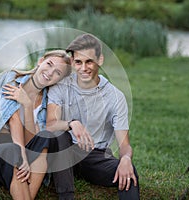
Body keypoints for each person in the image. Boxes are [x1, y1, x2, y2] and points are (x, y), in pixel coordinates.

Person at [0, 50, 71, 200]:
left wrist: (28, 105)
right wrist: (22, 157)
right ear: (41, 61)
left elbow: (31, 140)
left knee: (46, 138)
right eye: (49, 64)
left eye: (57, 72)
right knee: (13, 150)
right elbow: (13, 120)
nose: (50, 73)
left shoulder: (47, 103)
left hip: (18, 158)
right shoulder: (11, 79)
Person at [47, 34, 140, 199]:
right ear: (72, 61)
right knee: (59, 135)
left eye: (89, 61)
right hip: (64, 153)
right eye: (78, 62)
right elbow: (51, 124)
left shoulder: (115, 97)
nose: (83, 68)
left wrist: (126, 158)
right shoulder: (60, 86)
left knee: (129, 174)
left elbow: (124, 145)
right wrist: (72, 123)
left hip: (94, 156)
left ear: (100, 59)